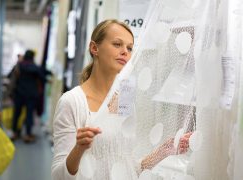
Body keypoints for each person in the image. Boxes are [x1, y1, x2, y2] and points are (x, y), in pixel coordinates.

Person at [51, 19, 192, 179]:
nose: (125, 52)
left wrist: (164, 151)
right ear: (94, 48)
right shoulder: (72, 102)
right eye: (117, 44)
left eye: (130, 48)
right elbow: (58, 175)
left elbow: (129, 168)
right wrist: (79, 149)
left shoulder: (125, 99)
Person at [11, 49, 45, 143]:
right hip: (31, 94)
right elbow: (42, 78)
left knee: (17, 113)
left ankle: (14, 132)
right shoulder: (35, 67)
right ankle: (28, 134)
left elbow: (11, 75)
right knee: (29, 114)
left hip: (19, 93)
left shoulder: (19, 66)